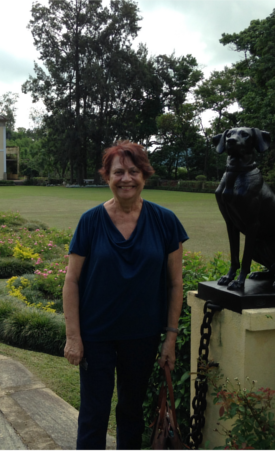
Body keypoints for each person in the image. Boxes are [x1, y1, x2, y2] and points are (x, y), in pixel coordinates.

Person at [63, 141, 188, 450]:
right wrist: (74, 336)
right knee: (94, 413)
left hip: (142, 337)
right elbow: (71, 281)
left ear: (144, 175)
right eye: (118, 171)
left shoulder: (165, 221)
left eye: (134, 171)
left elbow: (175, 283)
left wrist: (170, 337)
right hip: (96, 336)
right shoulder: (90, 221)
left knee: (131, 413)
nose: (126, 179)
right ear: (107, 176)